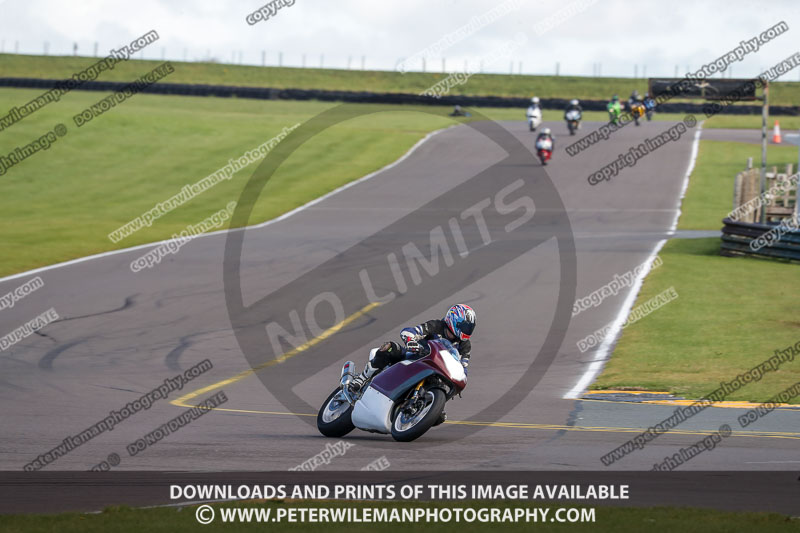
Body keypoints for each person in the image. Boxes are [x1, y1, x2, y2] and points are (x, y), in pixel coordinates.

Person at [349, 304, 476, 422]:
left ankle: (421, 408)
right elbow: (411, 331)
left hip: (436, 370)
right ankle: (362, 378)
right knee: (390, 347)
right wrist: (411, 340)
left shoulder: (465, 345)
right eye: (465, 326)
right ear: (454, 320)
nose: (467, 330)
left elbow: (463, 366)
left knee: (439, 416)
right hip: (415, 356)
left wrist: (460, 380)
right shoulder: (436, 326)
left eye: (470, 328)